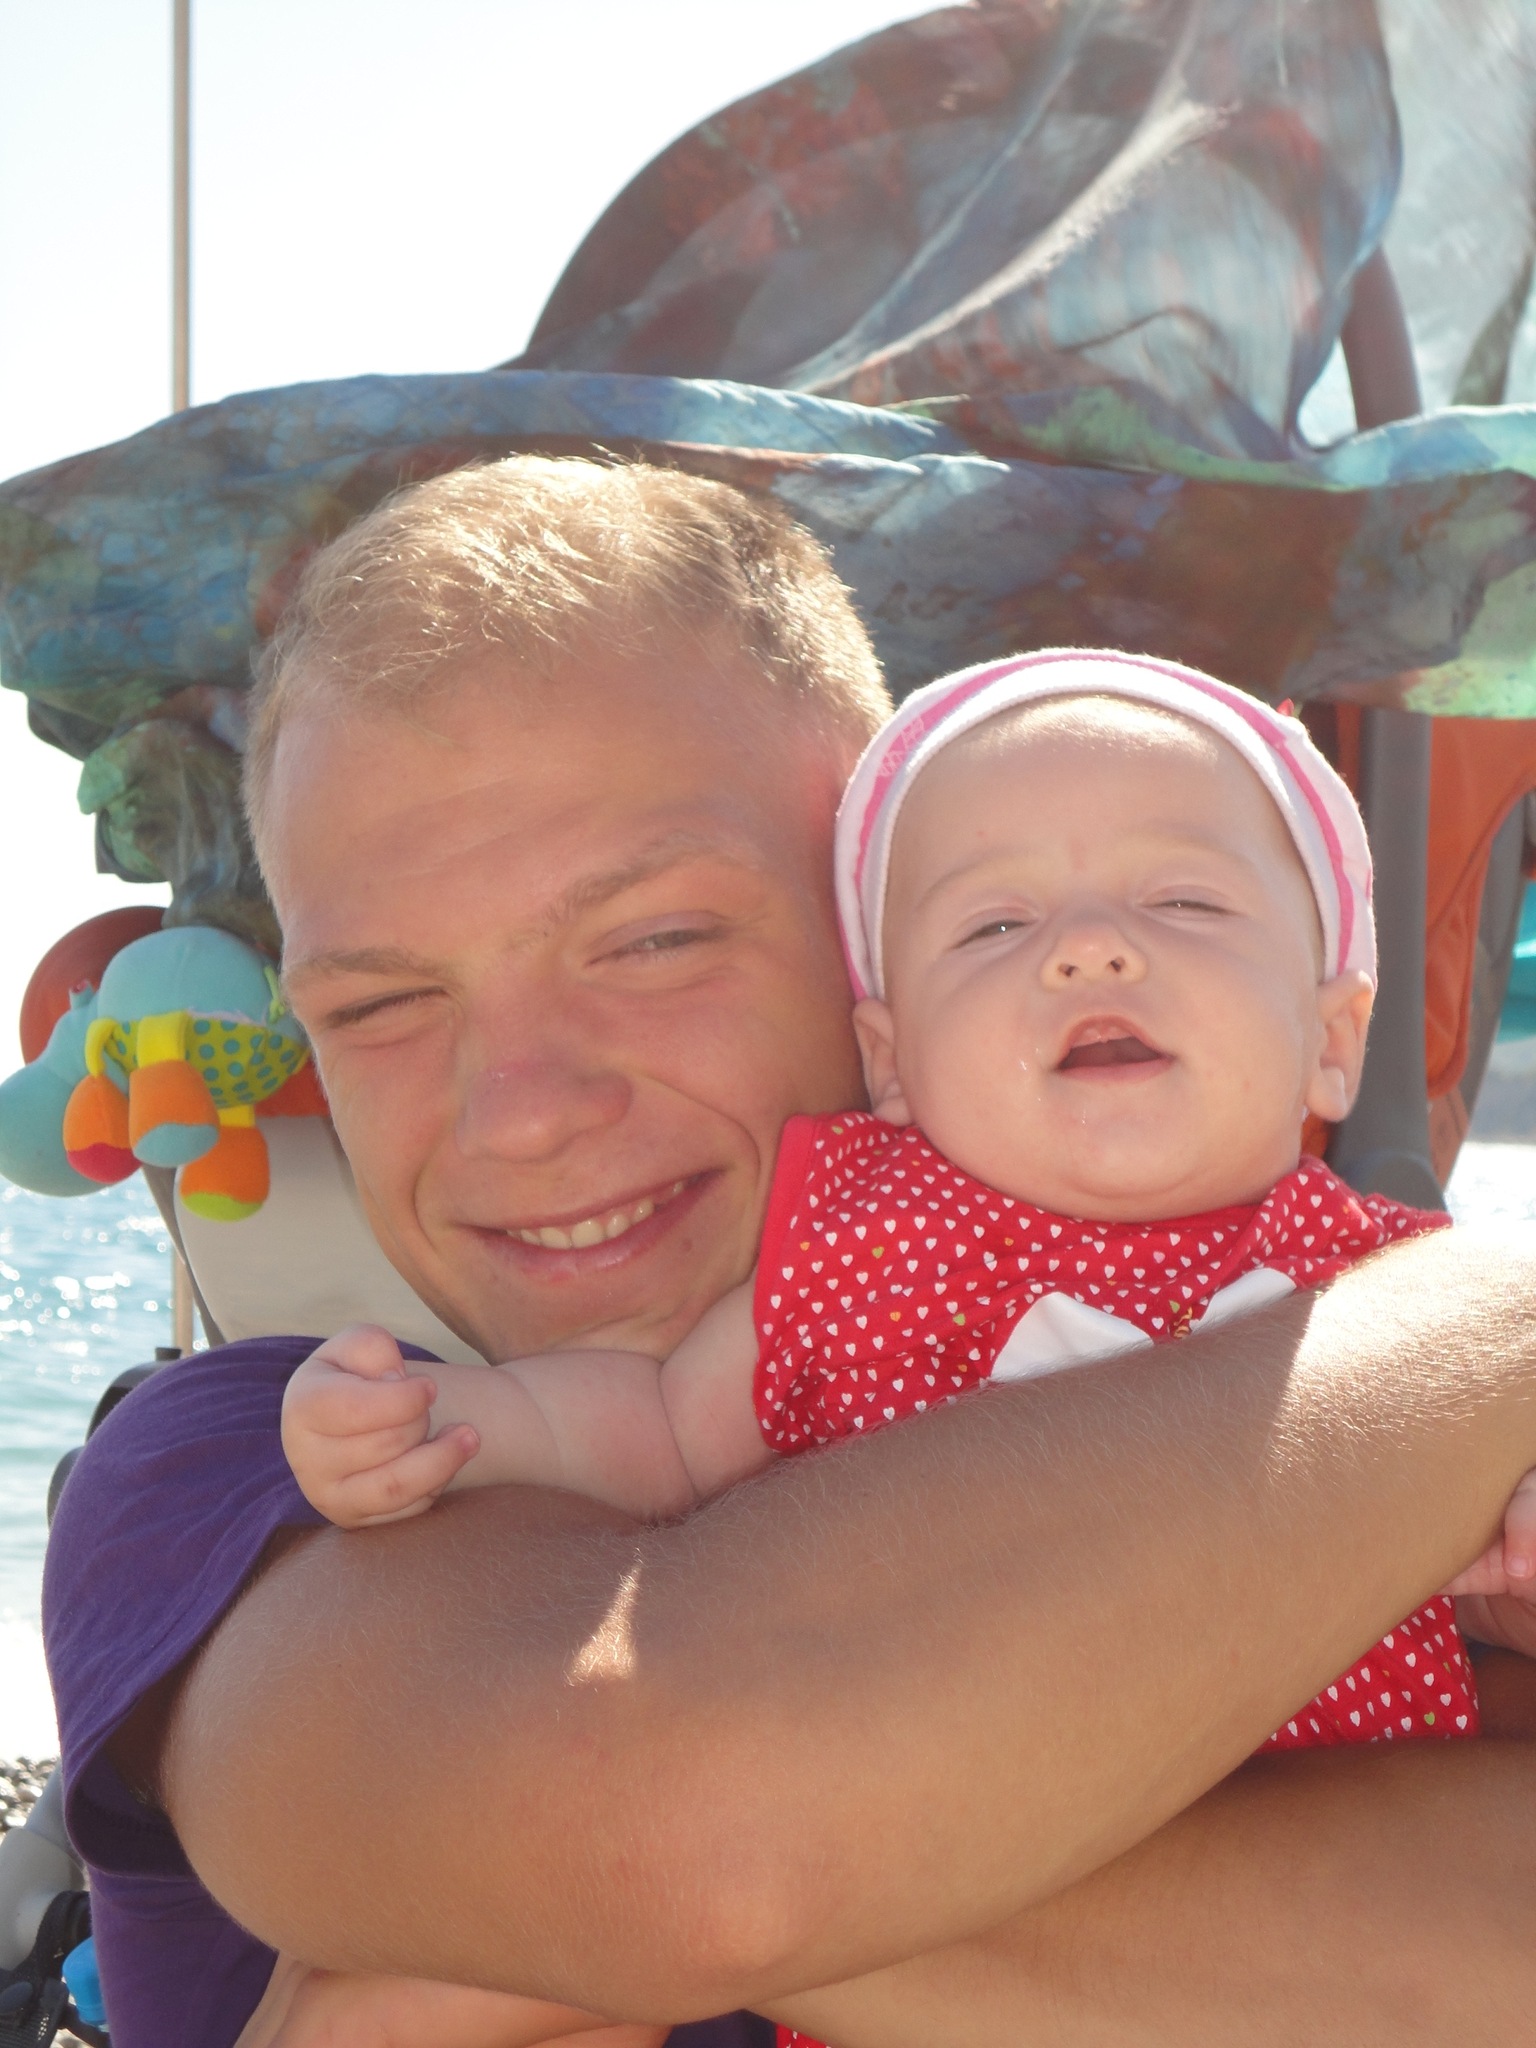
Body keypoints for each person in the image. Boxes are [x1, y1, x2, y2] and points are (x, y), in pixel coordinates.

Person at [43, 458, 1536, 2048]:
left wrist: (505, 1930)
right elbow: (678, 1841)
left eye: (656, 941)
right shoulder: (232, 1472)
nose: (522, 1112)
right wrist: (1481, 1332)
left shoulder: (1340, 1361)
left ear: (875, 947)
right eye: (385, 1004)